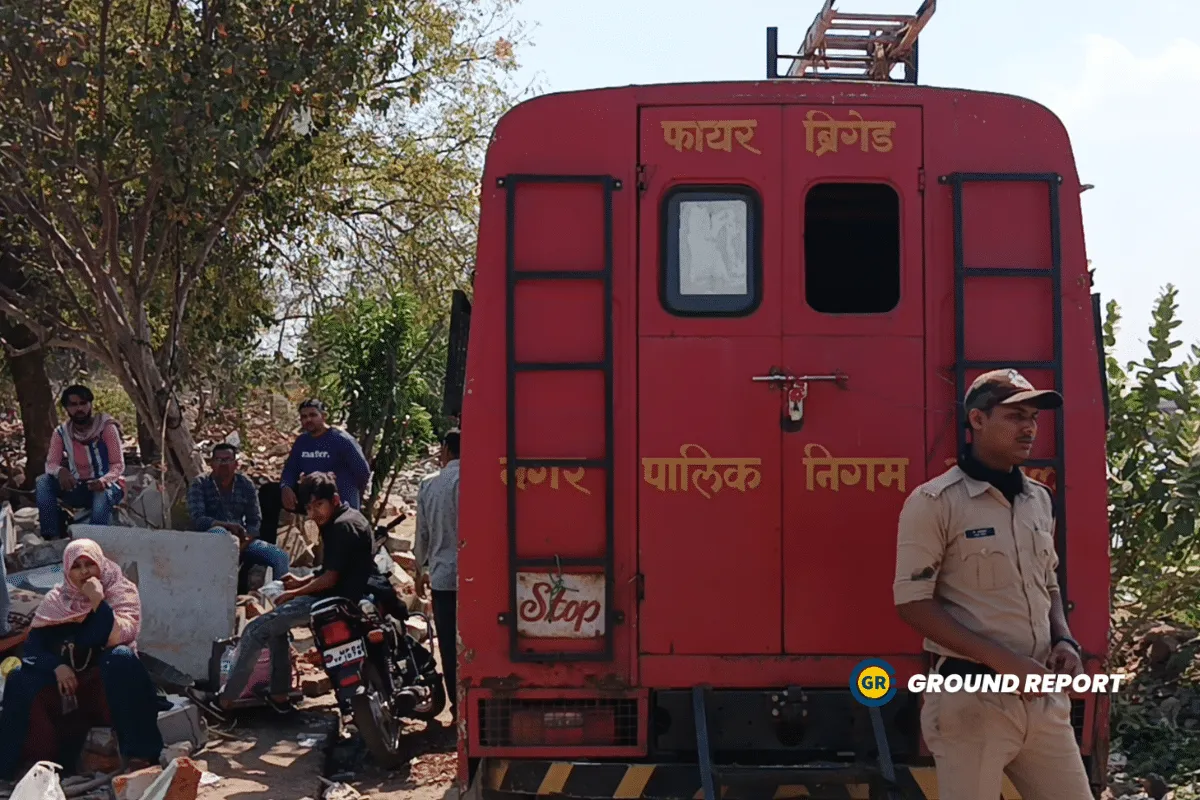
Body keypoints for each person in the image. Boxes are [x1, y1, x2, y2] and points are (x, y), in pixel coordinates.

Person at [893, 368, 1091, 799]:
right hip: (971, 701)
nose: (1029, 428)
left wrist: (1065, 641)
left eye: (1033, 418)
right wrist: (1004, 661)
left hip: (1040, 701)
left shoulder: (1039, 499)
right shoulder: (934, 503)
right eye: (1015, 416)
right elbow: (912, 604)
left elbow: (1049, 581)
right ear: (977, 421)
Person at [188, 471, 374, 719]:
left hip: (329, 602)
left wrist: (294, 593)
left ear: (335, 500)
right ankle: (279, 694)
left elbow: (330, 579)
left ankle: (225, 701)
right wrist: (301, 581)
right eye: (309, 508)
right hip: (340, 597)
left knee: (255, 630)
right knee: (275, 629)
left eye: (319, 505)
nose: (313, 513)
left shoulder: (340, 527)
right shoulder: (349, 519)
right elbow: (332, 569)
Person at [0, 540, 163, 780]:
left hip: (103, 690)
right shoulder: (57, 601)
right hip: (67, 690)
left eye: (90, 564)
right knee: (19, 679)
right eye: (76, 566)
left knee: (121, 658)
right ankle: (26, 764)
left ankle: (140, 756)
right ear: (67, 570)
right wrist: (58, 666)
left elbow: (117, 636)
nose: (84, 572)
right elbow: (34, 648)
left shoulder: (119, 592)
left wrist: (98, 601)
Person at [187, 443, 290, 588]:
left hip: (242, 541)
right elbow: (198, 519)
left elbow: (255, 520)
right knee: (220, 533)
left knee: (280, 556)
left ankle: (281, 601)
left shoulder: (245, 484)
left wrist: (245, 540)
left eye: (227, 459)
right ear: (211, 463)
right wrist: (226, 526)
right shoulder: (200, 483)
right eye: (218, 460)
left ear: (236, 464)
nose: (223, 464)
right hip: (211, 540)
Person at [36, 385, 125, 539]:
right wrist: (61, 471)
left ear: (90, 404)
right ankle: (51, 538)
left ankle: (95, 541)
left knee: (101, 496)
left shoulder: (106, 427)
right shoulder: (61, 433)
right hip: (78, 487)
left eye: (83, 403)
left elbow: (118, 465)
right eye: (74, 405)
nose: (79, 409)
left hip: (107, 487)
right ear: (67, 408)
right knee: (43, 481)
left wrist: (103, 481)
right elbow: (50, 464)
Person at [414, 429, 460, 721]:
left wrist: (420, 570)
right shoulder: (487, 478)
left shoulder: (430, 485)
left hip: (444, 578)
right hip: (480, 580)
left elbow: (423, 535)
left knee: (448, 644)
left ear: (446, 448)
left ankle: (458, 707)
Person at [279, 399, 371, 513]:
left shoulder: (341, 439)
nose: (308, 419)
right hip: (312, 497)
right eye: (304, 416)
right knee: (269, 492)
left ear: (323, 416)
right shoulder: (302, 441)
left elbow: (363, 472)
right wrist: (285, 487)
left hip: (339, 498)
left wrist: (349, 491)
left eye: (313, 415)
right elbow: (290, 469)